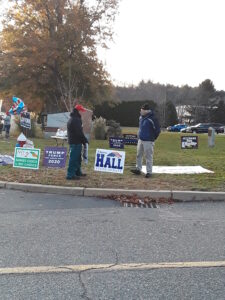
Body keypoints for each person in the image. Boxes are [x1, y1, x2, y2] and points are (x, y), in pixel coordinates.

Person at [131, 103, 161, 178]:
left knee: (148, 156)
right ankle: (138, 169)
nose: (140, 111)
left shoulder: (152, 118)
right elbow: (140, 127)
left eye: (142, 110)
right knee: (139, 155)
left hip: (149, 141)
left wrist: (153, 138)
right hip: (140, 140)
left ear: (146, 111)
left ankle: (149, 172)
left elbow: (158, 130)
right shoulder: (141, 117)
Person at [66, 104, 88, 180]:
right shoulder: (76, 120)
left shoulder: (73, 118)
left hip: (75, 141)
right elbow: (79, 132)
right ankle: (70, 175)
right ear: (78, 111)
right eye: (82, 111)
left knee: (78, 158)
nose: (83, 112)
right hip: (75, 142)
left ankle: (78, 172)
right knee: (73, 158)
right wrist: (85, 140)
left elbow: (78, 132)